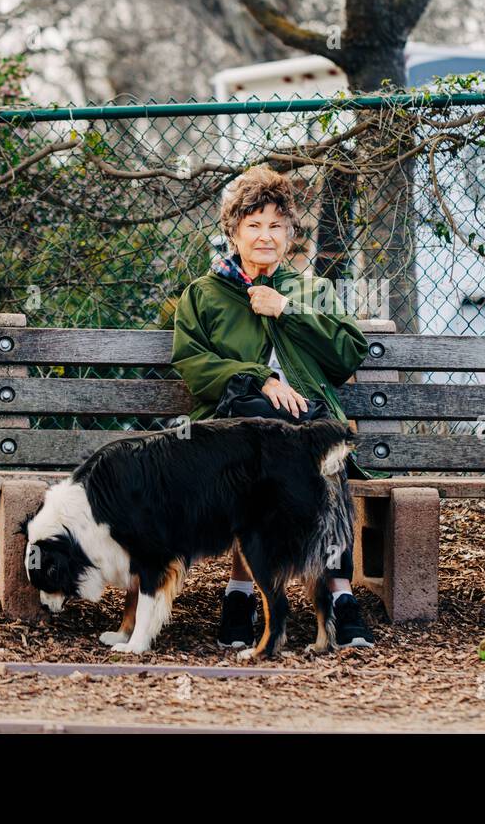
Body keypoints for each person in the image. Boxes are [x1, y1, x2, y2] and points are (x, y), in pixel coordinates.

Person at [170, 165, 376, 650]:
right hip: (233, 425)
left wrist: (288, 309)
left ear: (290, 235)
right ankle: (251, 592)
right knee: (264, 451)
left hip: (306, 425)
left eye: (276, 226)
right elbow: (193, 364)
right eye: (254, 225)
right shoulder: (204, 294)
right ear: (233, 232)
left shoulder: (312, 291)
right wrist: (259, 378)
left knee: (324, 452)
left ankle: (333, 595)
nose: (266, 236)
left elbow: (348, 354)